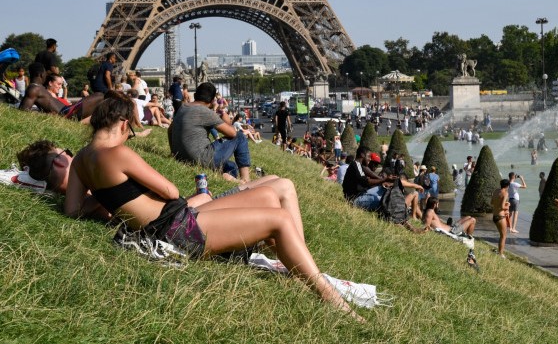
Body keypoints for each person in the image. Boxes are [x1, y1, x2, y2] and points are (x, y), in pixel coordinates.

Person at [63, 91, 360, 318]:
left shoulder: (81, 159)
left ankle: (299, 265)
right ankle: (329, 297)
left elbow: (73, 210)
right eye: (130, 130)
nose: (129, 135)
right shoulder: (119, 153)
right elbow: (169, 189)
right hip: (176, 229)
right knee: (280, 219)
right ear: (124, 123)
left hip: (174, 221)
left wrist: (111, 201)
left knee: (271, 196)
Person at [17, 139, 308, 242]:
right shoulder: (93, 194)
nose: (71, 155)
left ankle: (297, 255)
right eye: (65, 152)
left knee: (272, 180)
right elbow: (164, 207)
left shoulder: (87, 192)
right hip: (194, 215)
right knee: (281, 187)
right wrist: (197, 197)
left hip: (192, 210)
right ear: (58, 161)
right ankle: (300, 258)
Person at [169, 82, 252, 182]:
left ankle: (230, 180)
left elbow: (170, 130)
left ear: (195, 95)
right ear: (213, 100)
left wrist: (174, 152)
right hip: (201, 159)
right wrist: (223, 115)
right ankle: (246, 180)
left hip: (182, 158)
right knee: (240, 136)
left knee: (231, 166)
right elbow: (233, 133)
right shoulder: (205, 111)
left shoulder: (183, 108)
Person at [19, 62, 104, 124]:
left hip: (67, 110)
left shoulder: (38, 87)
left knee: (101, 99)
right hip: (67, 113)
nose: (46, 75)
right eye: (45, 73)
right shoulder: (34, 89)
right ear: (41, 74)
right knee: (100, 96)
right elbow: (22, 111)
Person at [342, 146, 392, 211]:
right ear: (362, 155)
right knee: (383, 200)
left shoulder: (359, 165)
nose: (370, 159)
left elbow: (369, 172)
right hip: (354, 199)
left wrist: (384, 181)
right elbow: (366, 181)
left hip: (362, 193)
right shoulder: (355, 164)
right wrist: (384, 179)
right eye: (368, 156)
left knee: (384, 189)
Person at [491, 179, 510, 257]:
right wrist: (507, 206)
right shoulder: (505, 193)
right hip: (500, 217)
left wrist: (504, 204)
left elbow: (492, 202)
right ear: (507, 186)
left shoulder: (496, 191)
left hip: (495, 216)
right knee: (503, 236)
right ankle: (501, 254)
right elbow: (502, 206)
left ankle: (499, 252)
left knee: (501, 235)